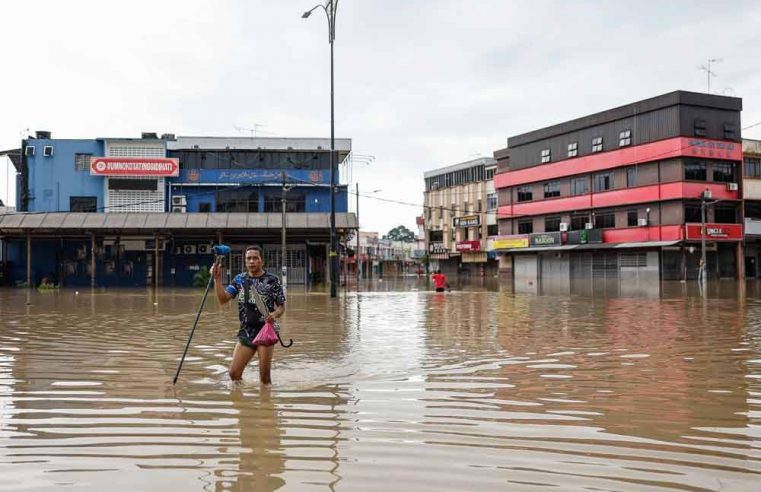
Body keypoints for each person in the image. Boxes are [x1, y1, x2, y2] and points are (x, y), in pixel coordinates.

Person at [210, 245, 286, 384]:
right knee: (234, 373)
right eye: (248, 259)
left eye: (255, 258)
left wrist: (274, 315)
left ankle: (265, 403)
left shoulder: (272, 280)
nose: (251, 261)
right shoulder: (239, 279)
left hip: (266, 331)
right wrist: (217, 279)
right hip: (246, 331)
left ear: (261, 261)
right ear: (245, 261)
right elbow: (223, 299)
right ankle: (241, 401)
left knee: (264, 379)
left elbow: (281, 307)